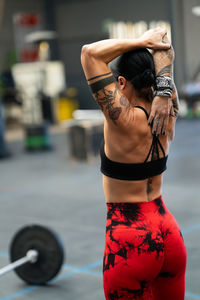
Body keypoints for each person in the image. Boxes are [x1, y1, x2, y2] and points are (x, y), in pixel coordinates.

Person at [81, 28, 187, 300]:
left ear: (121, 81)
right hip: (168, 231)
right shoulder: (169, 108)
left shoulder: (122, 119)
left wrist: (141, 41)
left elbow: (89, 53)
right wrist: (163, 90)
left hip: (131, 240)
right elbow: (165, 48)